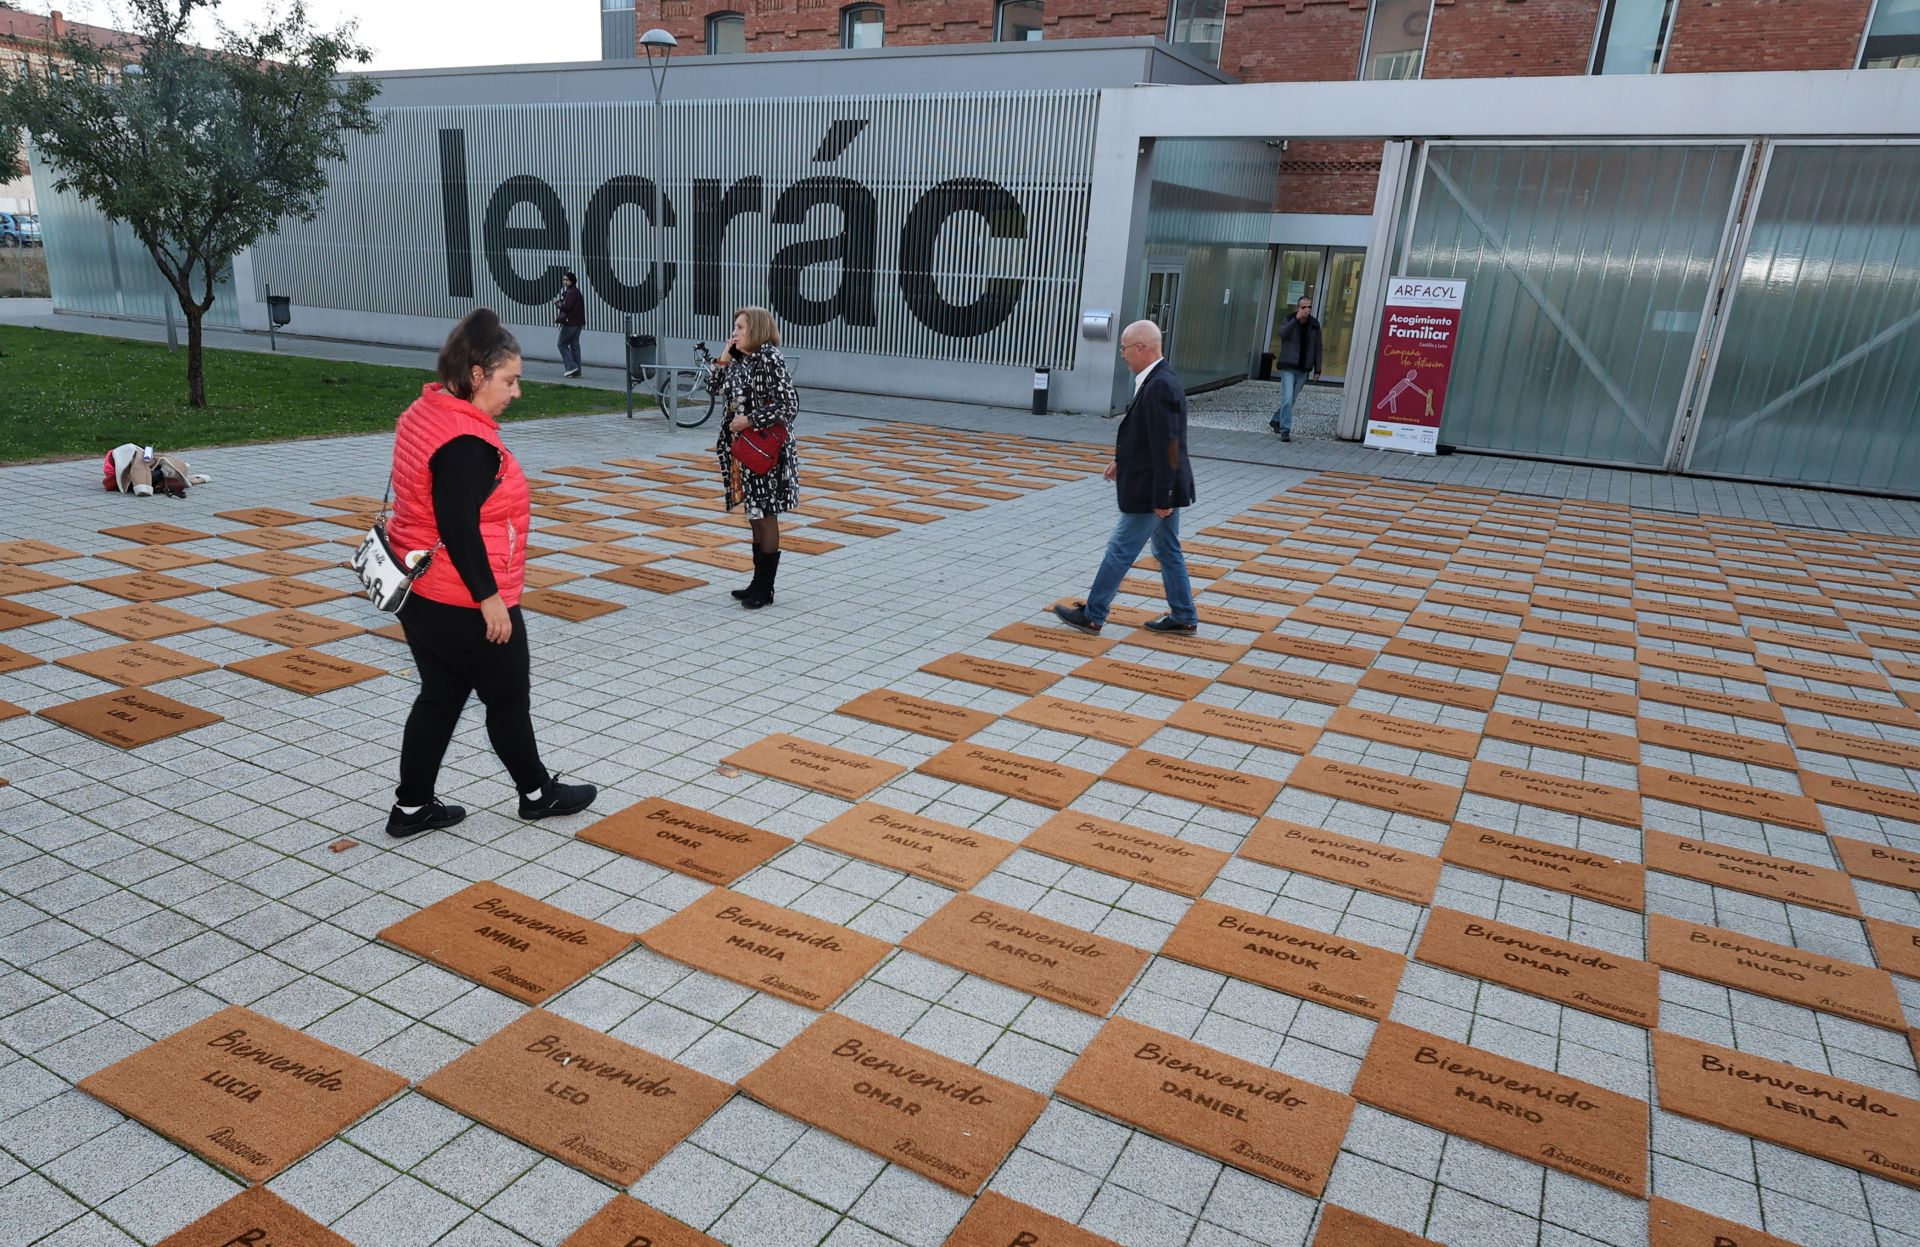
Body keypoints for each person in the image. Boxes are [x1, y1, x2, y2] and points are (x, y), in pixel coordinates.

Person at [382, 309, 597, 837]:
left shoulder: (427, 409)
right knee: (507, 701)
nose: (516, 392)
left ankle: (411, 808)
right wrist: (490, 598)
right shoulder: (466, 444)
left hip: (419, 589)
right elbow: (458, 526)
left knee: (440, 695)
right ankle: (538, 794)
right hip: (460, 596)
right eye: (510, 380)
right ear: (477, 376)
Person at [1053, 320, 1198, 636]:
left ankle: (1093, 614)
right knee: (1167, 549)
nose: (1122, 354)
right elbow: (1150, 436)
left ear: (1141, 348)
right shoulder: (1156, 379)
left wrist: (1163, 497)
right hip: (1159, 483)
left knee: (1120, 549)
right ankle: (1184, 615)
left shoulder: (1160, 385)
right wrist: (1123, 460)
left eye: (1124, 348)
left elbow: (1169, 445)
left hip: (1154, 490)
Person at [707, 305, 799, 610]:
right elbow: (713, 387)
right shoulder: (740, 359)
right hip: (742, 451)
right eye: (734, 327)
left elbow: (789, 405)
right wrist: (725, 355)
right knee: (753, 513)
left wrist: (749, 420)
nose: (734, 332)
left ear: (757, 329)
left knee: (766, 513)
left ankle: (765, 588)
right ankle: (756, 582)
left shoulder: (769, 357)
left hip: (765, 451)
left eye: (740, 328)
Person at [1269, 295, 1322, 443]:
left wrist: (1317, 370)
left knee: (1291, 400)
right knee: (1286, 399)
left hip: (1303, 369)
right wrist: (1295, 320)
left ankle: (1275, 419)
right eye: (1304, 307)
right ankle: (1285, 430)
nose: (1307, 310)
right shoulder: (1289, 320)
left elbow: (1318, 347)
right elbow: (1282, 333)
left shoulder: (1314, 325)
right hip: (1288, 367)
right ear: (1298, 308)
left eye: (1309, 307)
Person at [554, 271, 585, 378]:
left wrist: (557, 303)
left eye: (567, 280)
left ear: (572, 281)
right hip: (578, 323)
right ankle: (577, 371)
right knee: (574, 346)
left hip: (570, 323)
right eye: (564, 280)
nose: (565, 282)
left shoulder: (571, 292)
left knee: (561, 344)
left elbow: (566, 307)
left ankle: (571, 367)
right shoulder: (575, 291)